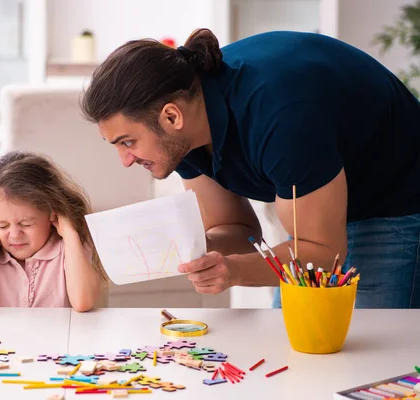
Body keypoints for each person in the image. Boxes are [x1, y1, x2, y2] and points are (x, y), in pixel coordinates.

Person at [80, 28, 420, 308]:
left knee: (369, 357)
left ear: (171, 116)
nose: (125, 160)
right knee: (293, 343)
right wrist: (197, 247)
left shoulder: (280, 116)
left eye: (128, 142)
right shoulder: (182, 132)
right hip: (320, 209)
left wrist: (235, 272)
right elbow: (236, 228)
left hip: (396, 198)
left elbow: (323, 252)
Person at [0, 151, 105, 311]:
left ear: (52, 214)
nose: (14, 235)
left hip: (54, 336)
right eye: (2, 225)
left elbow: (83, 302)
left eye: (26, 224)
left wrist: (70, 234)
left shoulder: (69, 247)